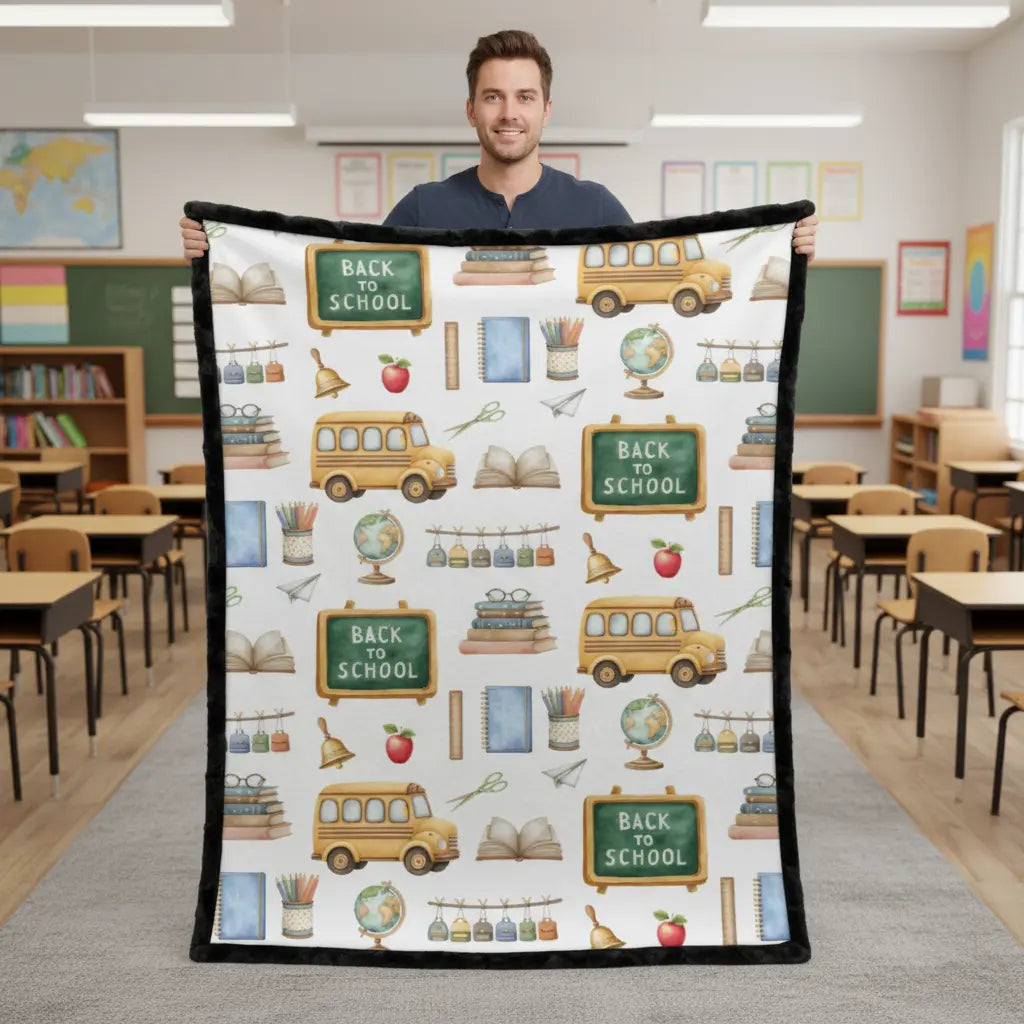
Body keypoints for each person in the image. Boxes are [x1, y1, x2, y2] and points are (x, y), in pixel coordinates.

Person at [180, 29, 818, 253]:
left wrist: (775, 247)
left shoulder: (597, 208)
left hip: (567, 435)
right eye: (493, 97)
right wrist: (224, 250)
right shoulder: (423, 210)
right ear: (470, 110)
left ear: (546, 110)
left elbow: (665, 277)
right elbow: (348, 281)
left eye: (523, 97)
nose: (508, 113)